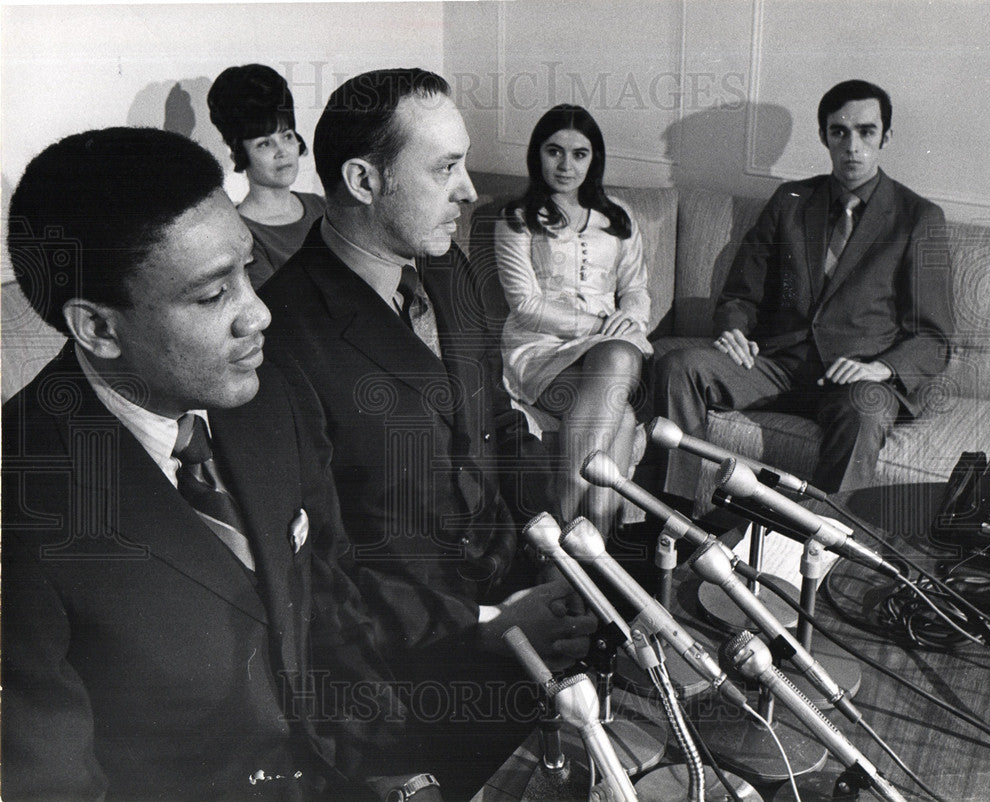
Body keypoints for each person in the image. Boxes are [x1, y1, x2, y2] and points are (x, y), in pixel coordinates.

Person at [2, 127, 437, 801]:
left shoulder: (269, 390)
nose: (258, 313)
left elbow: (330, 589)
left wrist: (377, 762)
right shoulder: (18, 505)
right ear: (98, 328)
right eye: (213, 296)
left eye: (248, 272)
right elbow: (49, 785)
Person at [260, 69, 596, 796]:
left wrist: (551, 550)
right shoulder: (282, 335)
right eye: (445, 167)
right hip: (419, 674)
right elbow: (318, 571)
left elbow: (501, 429)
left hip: (523, 596)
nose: (472, 189)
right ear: (362, 179)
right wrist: (488, 624)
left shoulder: (449, 271)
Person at [653, 80, 953, 497]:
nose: (852, 146)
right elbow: (741, 294)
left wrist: (879, 369)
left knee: (866, 407)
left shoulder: (918, 217)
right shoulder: (791, 200)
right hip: (777, 367)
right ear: (824, 136)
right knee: (678, 366)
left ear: (885, 136)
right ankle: (678, 518)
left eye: (866, 131)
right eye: (839, 132)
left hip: (856, 379)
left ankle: (826, 549)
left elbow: (933, 337)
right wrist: (733, 330)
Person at [495, 104, 653, 536]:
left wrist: (630, 319)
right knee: (619, 415)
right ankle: (587, 542)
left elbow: (636, 289)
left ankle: (568, 548)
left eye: (579, 154)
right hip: (539, 349)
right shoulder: (517, 219)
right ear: (537, 155)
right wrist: (599, 327)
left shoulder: (618, 217)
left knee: (619, 360)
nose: (566, 165)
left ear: (593, 159)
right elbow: (525, 304)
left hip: (605, 351)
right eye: (554, 152)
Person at [208, 63, 325, 287]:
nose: (282, 151)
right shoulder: (241, 235)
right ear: (238, 153)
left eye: (287, 136)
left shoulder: (323, 207)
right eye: (264, 143)